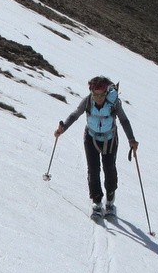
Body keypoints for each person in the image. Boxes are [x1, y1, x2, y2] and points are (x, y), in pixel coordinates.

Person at [55, 76, 138, 217]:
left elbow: (124, 120)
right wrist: (63, 128)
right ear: (91, 92)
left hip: (109, 139)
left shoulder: (114, 104)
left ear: (106, 93)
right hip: (91, 138)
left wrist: (131, 139)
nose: (98, 98)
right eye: (95, 95)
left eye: (101, 95)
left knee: (109, 169)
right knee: (93, 170)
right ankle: (97, 201)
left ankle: (110, 199)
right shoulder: (87, 101)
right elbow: (75, 115)